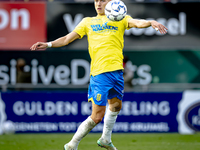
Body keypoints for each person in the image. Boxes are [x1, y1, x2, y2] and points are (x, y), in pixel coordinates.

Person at [30, 0, 167, 149]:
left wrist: (150, 22)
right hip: (100, 74)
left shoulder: (120, 18)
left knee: (115, 106)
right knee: (97, 116)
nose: (99, 3)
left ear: (110, 2)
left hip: (117, 73)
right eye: (96, 0)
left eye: (102, 0)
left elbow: (137, 23)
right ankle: (72, 144)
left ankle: (105, 140)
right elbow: (67, 39)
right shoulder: (88, 22)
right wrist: (48, 44)